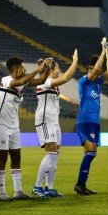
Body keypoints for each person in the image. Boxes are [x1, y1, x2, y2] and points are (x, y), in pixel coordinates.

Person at [0, 56, 50, 201]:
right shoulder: (6, 80)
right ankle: (2, 193)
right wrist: (38, 68)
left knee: (16, 158)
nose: (24, 70)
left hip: (14, 126)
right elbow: (21, 81)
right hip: (1, 124)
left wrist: (47, 67)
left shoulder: (22, 81)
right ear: (16, 70)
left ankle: (18, 191)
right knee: (2, 159)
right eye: (23, 67)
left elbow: (41, 81)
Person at [32, 49, 78, 198]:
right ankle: (37, 187)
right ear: (51, 69)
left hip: (53, 121)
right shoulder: (45, 81)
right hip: (45, 120)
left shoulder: (52, 84)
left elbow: (66, 77)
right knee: (51, 153)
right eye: (58, 68)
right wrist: (75, 61)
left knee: (55, 155)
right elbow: (65, 78)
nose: (60, 70)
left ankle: (49, 187)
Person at [74, 40, 105, 195]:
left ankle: (82, 184)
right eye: (92, 71)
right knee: (91, 150)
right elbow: (98, 68)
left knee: (92, 152)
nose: (95, 72)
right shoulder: (83, 82)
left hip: (95, 123)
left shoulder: (98, 83)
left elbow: (104, 70)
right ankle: (79, 184)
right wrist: (104, 51)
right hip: (84, 121)